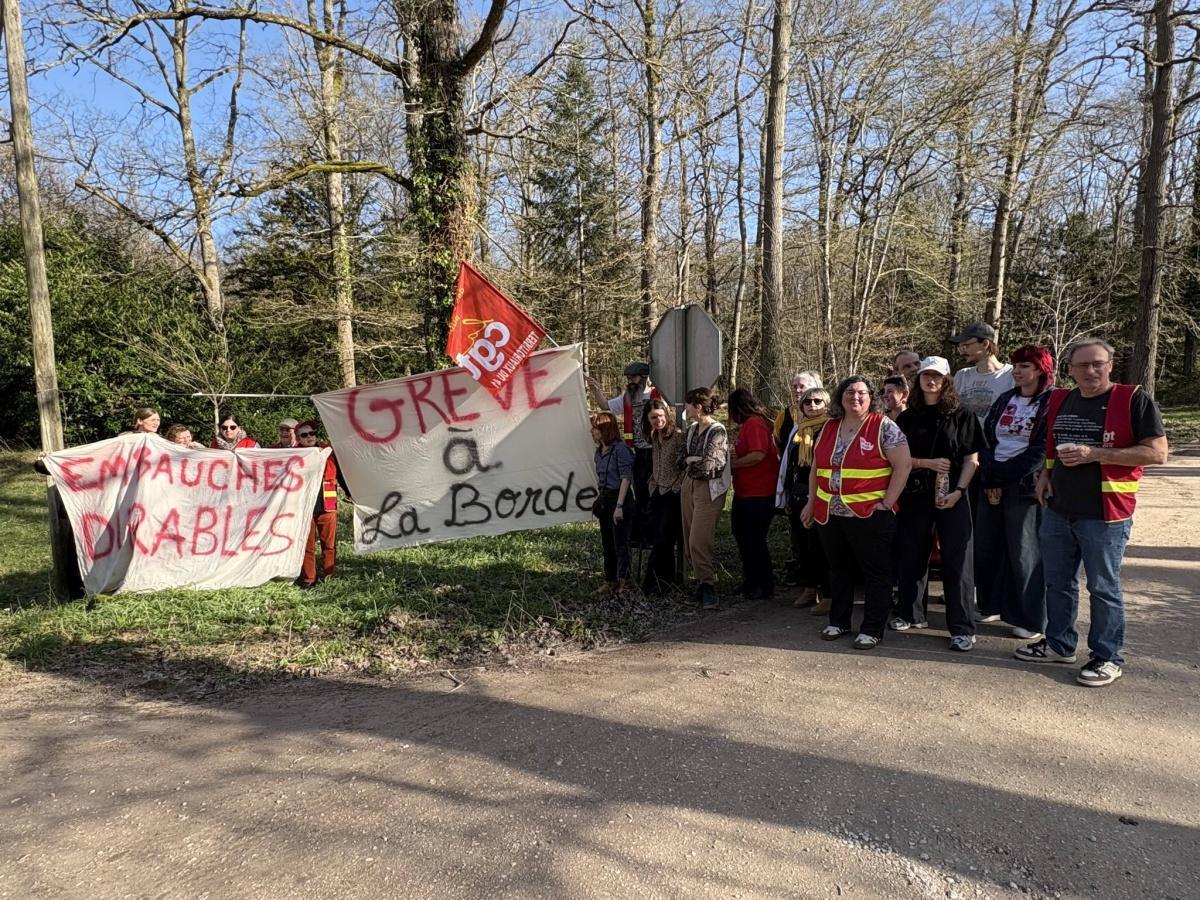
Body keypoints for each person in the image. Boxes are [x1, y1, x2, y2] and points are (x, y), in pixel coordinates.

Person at [1014, 338, 1168, 687]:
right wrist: (1046, 474)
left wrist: (1096, 454)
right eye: (1082, 365)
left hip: (1105, 512)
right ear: (1069, 369)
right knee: (1058, 582)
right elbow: (1053, 442)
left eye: (1098, 363)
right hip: (1058, 509)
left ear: (1111, 364)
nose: (1091, 370)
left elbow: (1157, 453)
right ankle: (1059, 643)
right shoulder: (1061, 399)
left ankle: (1107, 656)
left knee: (1102, 586)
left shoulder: (1132, 400)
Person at [801, 376, 911, 649]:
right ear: (840, 397)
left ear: (870, 397)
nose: (855, 397)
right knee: (838, 570)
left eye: (862, 393)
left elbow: (904, 465)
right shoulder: (828, 427)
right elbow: (816, 468)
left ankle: (872, 628)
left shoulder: (884, 426)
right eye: (849, 392)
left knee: (875, 573)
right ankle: (838, 621)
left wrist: (887, 503)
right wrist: (811, 502)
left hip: (870, 514)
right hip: (830, 513)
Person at [892, 356, 982, 651]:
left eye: (938, 377)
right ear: (917, 380)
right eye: (926, 376)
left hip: (953, 495)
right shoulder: (907, 417)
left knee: (958, 560)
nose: (931, 381)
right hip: (916, 493)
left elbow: (972, 460)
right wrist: (927, 463)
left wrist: (958, 490)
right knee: (912, 554)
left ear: (947, 381)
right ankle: (909, 612)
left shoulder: (963, 415)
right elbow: (897, 459)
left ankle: (962, 627)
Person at [976, 344, 1055, 639]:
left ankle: (1031, 618)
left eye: (1026, 366)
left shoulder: (1049, 402)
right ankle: (991, 604)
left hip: (1024, 486)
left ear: (1040, 370)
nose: (1019, 372)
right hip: (993, 481)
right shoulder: (1005, 398)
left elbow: (1041, 449)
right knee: (988, 547)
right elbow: (986, 438)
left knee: (1024, 553)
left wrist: (1006, 472)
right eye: (1017, 366)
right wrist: (990, 470)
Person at [589, 362, 658, 544]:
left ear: (645, 378)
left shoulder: (656, 395)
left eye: (633, 378)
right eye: (628, 379)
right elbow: (605, 405)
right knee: (640, 492)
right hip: (637, 451)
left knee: (654, 492)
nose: (630, 382)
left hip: (656, 450)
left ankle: (654, 531)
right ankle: (641, 534)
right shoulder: (628, 397)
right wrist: (595, 389)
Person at [775, 386, 831, 610]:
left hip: (822, 493)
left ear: (827, 404)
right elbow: (789, 463)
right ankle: (810, 589)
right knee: (802, 544)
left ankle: (828, 594)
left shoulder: (831, 428)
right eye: (808, 402)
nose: (812, 406)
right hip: (798, 491)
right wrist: (787, 494)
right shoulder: (798, 430)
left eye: (818, 401)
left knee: (822, 545)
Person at [678, 387, 730, 610]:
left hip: (710, 488)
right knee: (688, 535)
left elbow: (711, 467)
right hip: (689, 485)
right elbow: (680, 459)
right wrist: (691, 459)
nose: (686, 408)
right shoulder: (691, 430)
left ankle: (709, 585)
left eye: (688, 404)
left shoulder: (717, 431)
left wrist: (692, 461)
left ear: (697, 407)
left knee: (699, 539)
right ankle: (700, 582)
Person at [728, 388, 781, 601]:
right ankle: (750, 580)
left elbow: (758, 454)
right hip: (744, 492)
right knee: (742, 536)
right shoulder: (746, 426)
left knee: (754, 539)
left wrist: (735, 464)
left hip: (759, 493)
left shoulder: (755, 424)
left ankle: (764, 584)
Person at [294, 421, 350, 589]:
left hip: (327, 504)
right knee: (306, 544)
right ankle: (309, 578)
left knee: (329, 544)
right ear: (298, 439)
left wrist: (349, 492)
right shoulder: (293, 456)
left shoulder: (328, 452)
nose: (309, 437)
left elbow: (340, 474)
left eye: (312, 433)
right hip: (304, 508)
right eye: (304, 435)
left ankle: (329, 576)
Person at [642, 398, 685, 595]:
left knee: (664, 538)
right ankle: (664, 582)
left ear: (666, 415)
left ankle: (652, 583)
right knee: (659, 537)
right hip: (658, 491)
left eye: (660, 416)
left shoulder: (677, 436)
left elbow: (685, 465)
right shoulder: (654, 436)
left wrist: (676, 487)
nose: (657, 421)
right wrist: (653, 484)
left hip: (672, 493)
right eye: (653, 418)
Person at [591, 411, 635, 597]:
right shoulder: (599, 452)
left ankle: (624, 581)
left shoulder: (620, 449)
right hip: (606, 498)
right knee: (607, 542)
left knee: (620, 543)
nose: (592, 431)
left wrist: (619, 506)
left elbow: (626, 478)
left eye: (596, 428)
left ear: (605, 429)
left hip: (620, 498)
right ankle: (610, 580)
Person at [951, 322, 1014, 424]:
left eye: (966, 345)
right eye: (960, 347)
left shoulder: (1012, 375)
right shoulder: (962, 375)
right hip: (964, 439)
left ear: (985, 344)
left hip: (995, 439)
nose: (961, 352)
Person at [773, 371, 824, 452]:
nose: (797, 390)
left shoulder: (826, 416)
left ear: (814, 389)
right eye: (794, 386)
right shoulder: (784, 415)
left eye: (802, 386)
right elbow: (776, 441)